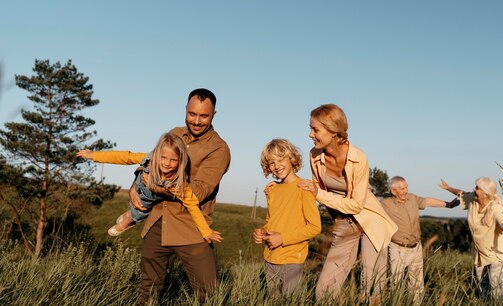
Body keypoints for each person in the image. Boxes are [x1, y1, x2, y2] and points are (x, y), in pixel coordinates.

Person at [113, 88, 230, 305]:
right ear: (185, 109)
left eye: (204, 116)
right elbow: (151, 163)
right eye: (192, 114)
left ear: (214, 114)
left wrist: (155, 188)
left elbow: (197, 191)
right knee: (147, 291)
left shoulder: (219, 149)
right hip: (158, 222)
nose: (196, 121)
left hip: (192, 229)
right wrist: (135, 183)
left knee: (208, 293)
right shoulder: (174, 133)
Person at [296, 104, 398, 301]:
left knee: (372, 289)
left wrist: (318, 193)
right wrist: (282, 185)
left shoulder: (359, 158)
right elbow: (314, 187)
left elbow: (356, 205)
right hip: (344, 222)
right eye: (310, 128)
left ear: (333, 131)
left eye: (315, 129)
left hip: (369, 222)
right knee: (324, 289)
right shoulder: (314, 155)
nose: (310, 134)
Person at [77, 133, 223, 244]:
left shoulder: (177, 185)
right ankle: (130, 212)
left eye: (173, 160)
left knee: (140, 209)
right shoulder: (150, 160)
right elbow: (124, 157)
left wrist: (206, 232)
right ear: (158, 155)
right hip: (140, 183)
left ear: (180, 162)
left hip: (147, 199)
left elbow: (193, 206)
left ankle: (130, 219)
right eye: (163, 158)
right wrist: (94, 155)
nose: (166, 163)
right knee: (138, 189)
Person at [439, 177, 503, 301]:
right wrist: (448, 188)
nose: (474, 189)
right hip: (480, 251)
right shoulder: (473, 199)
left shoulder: (496, 207)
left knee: (496, 287)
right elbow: (461, 194)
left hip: (497, 251)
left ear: (486, 193)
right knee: (483, 286)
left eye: (477, 188)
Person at [252, 139, 321, 297]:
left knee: (290, 301)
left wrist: (283, 238)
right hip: (270, 257)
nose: (276, 166)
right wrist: (262, 232)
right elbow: (272, 221)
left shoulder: (303, 188)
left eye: (281, 159)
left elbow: (314, 227)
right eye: (271, 162)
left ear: (292, 159)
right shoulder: (272, 190)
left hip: (292, 259)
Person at [380, 176, 458, 303]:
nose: (406, 190)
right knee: (396, 283)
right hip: (398, 249)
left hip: (416, 248)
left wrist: (447, 204)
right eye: (402, 188)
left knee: (417, 284)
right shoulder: (385, 204)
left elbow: (427, 201)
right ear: (394, 191)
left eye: (406, 187)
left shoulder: (412, 198)